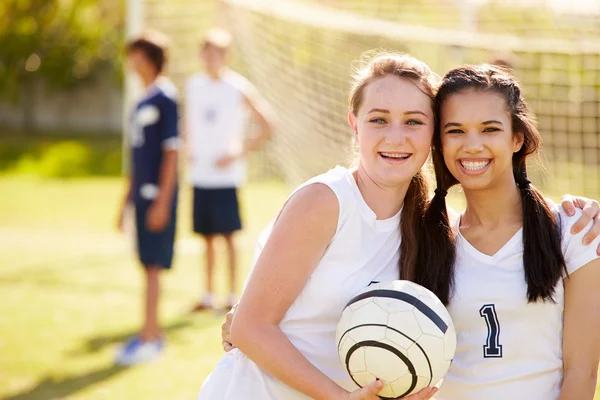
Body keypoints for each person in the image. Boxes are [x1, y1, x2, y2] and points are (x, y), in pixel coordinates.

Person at [202, 53, 600, 400]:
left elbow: (581, 373)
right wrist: (246, 322)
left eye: (413, 121)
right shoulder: (347, 207)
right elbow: (255, 324)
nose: (397, 136)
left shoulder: (427, 226)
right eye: (455, 130)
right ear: (354, 125)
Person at [416, 64, 600, 399]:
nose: (472, 145)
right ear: (438, 142)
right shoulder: (430, 238)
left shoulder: (574, 231)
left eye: (489, 129)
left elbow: (582, 372)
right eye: (455, 131)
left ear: (517, 138)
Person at [185, 28, 274, 311]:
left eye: (219, 53)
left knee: (229, 236)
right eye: (208, 52)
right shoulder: (192, 86)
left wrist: (237, 152)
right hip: (200, 174)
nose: (212, 58)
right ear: (201, 55)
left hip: (226, 177)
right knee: (207, 238)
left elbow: (267, 124)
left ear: (227, 56)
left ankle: (233, 296)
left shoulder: (237, 87)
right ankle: (208, 295)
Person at [116, 30, 179, 365]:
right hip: (140, 198)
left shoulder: (166, 98)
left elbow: (172, 154)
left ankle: (151, 337)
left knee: (153, 267)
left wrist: (162, 202)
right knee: (146, 266)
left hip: (157, 198)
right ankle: (148, 331)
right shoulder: (141, 99)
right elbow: (137, 158)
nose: (132, 62)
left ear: (149, 57)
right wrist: (125, 202)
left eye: (137, 55)